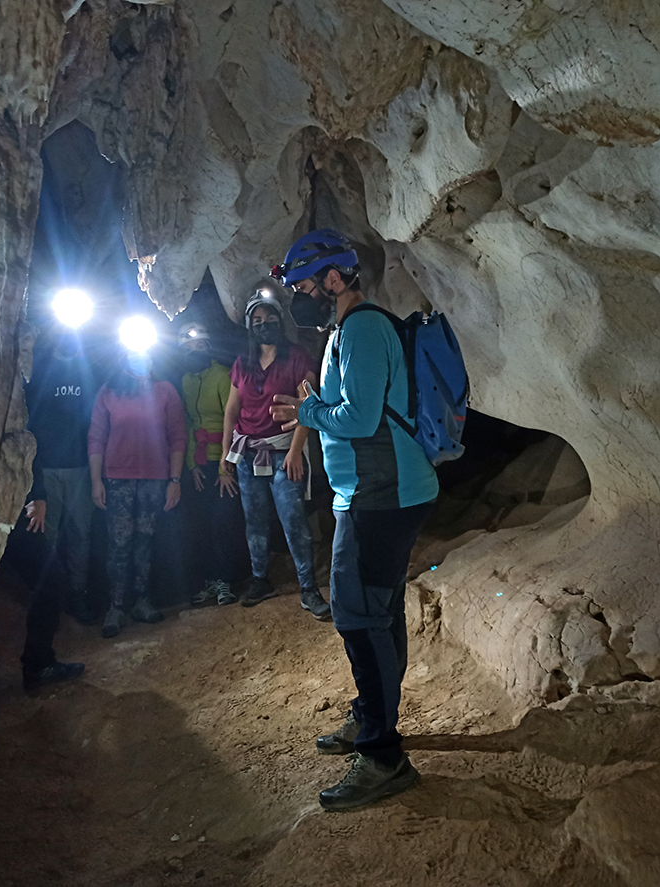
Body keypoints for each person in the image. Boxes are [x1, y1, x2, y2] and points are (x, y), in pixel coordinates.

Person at [271, 229, 439, 811]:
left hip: (381, 494)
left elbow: (363, 417)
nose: (299, 296)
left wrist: (308, 410)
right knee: (377, 610)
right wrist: (315, 407)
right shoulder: (343, 330)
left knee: (358, 613)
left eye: (303, 284)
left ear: (334, 279)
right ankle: (373, 716)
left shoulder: (364, 327)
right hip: (370, 491)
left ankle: (383, 756)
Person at [220, 291, 331, 620]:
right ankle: (260, 579)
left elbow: (308, 404)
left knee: (293, 520)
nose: (263, 325)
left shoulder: (296, 357)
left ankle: (309, 589)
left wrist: (297, 451)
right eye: (257, 321)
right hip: (248, 454)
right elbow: (231, 410)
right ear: (249, 327)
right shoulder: (244, 363)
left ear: (280, 322)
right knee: (254, 521)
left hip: (283, 451)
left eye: (269, 319)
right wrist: (225, 456)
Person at [89, 343, 186, 638]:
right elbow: (96, 437)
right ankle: (116, 605)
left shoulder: (165, 391)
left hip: (154, 479)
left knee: (145, 540)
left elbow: (178, 436)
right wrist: (96, 481)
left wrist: (175, 480)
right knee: (119, 543)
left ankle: (141, 600)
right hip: (118, 480)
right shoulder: (109, 392)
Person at [19, 329, 90, 691]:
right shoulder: (41, 372)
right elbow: (30, 425)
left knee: (79, 535)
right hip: (47, 468)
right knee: (47, 540)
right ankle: (47, 601)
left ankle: (75, 595)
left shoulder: (87, 370)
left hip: (79, 467)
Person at [177, 322, 245, 606]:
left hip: (223, 462)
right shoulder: (186, 380)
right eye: (189, 348)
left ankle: (226, 580)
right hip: (201, 462)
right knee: (202, 523)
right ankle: (209, 580)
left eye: (200, 346)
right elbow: (191, 423)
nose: (195, 351)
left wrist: (225, 467)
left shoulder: (222, 376)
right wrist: (192, 465)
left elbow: (232, 421)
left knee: (223, 523)